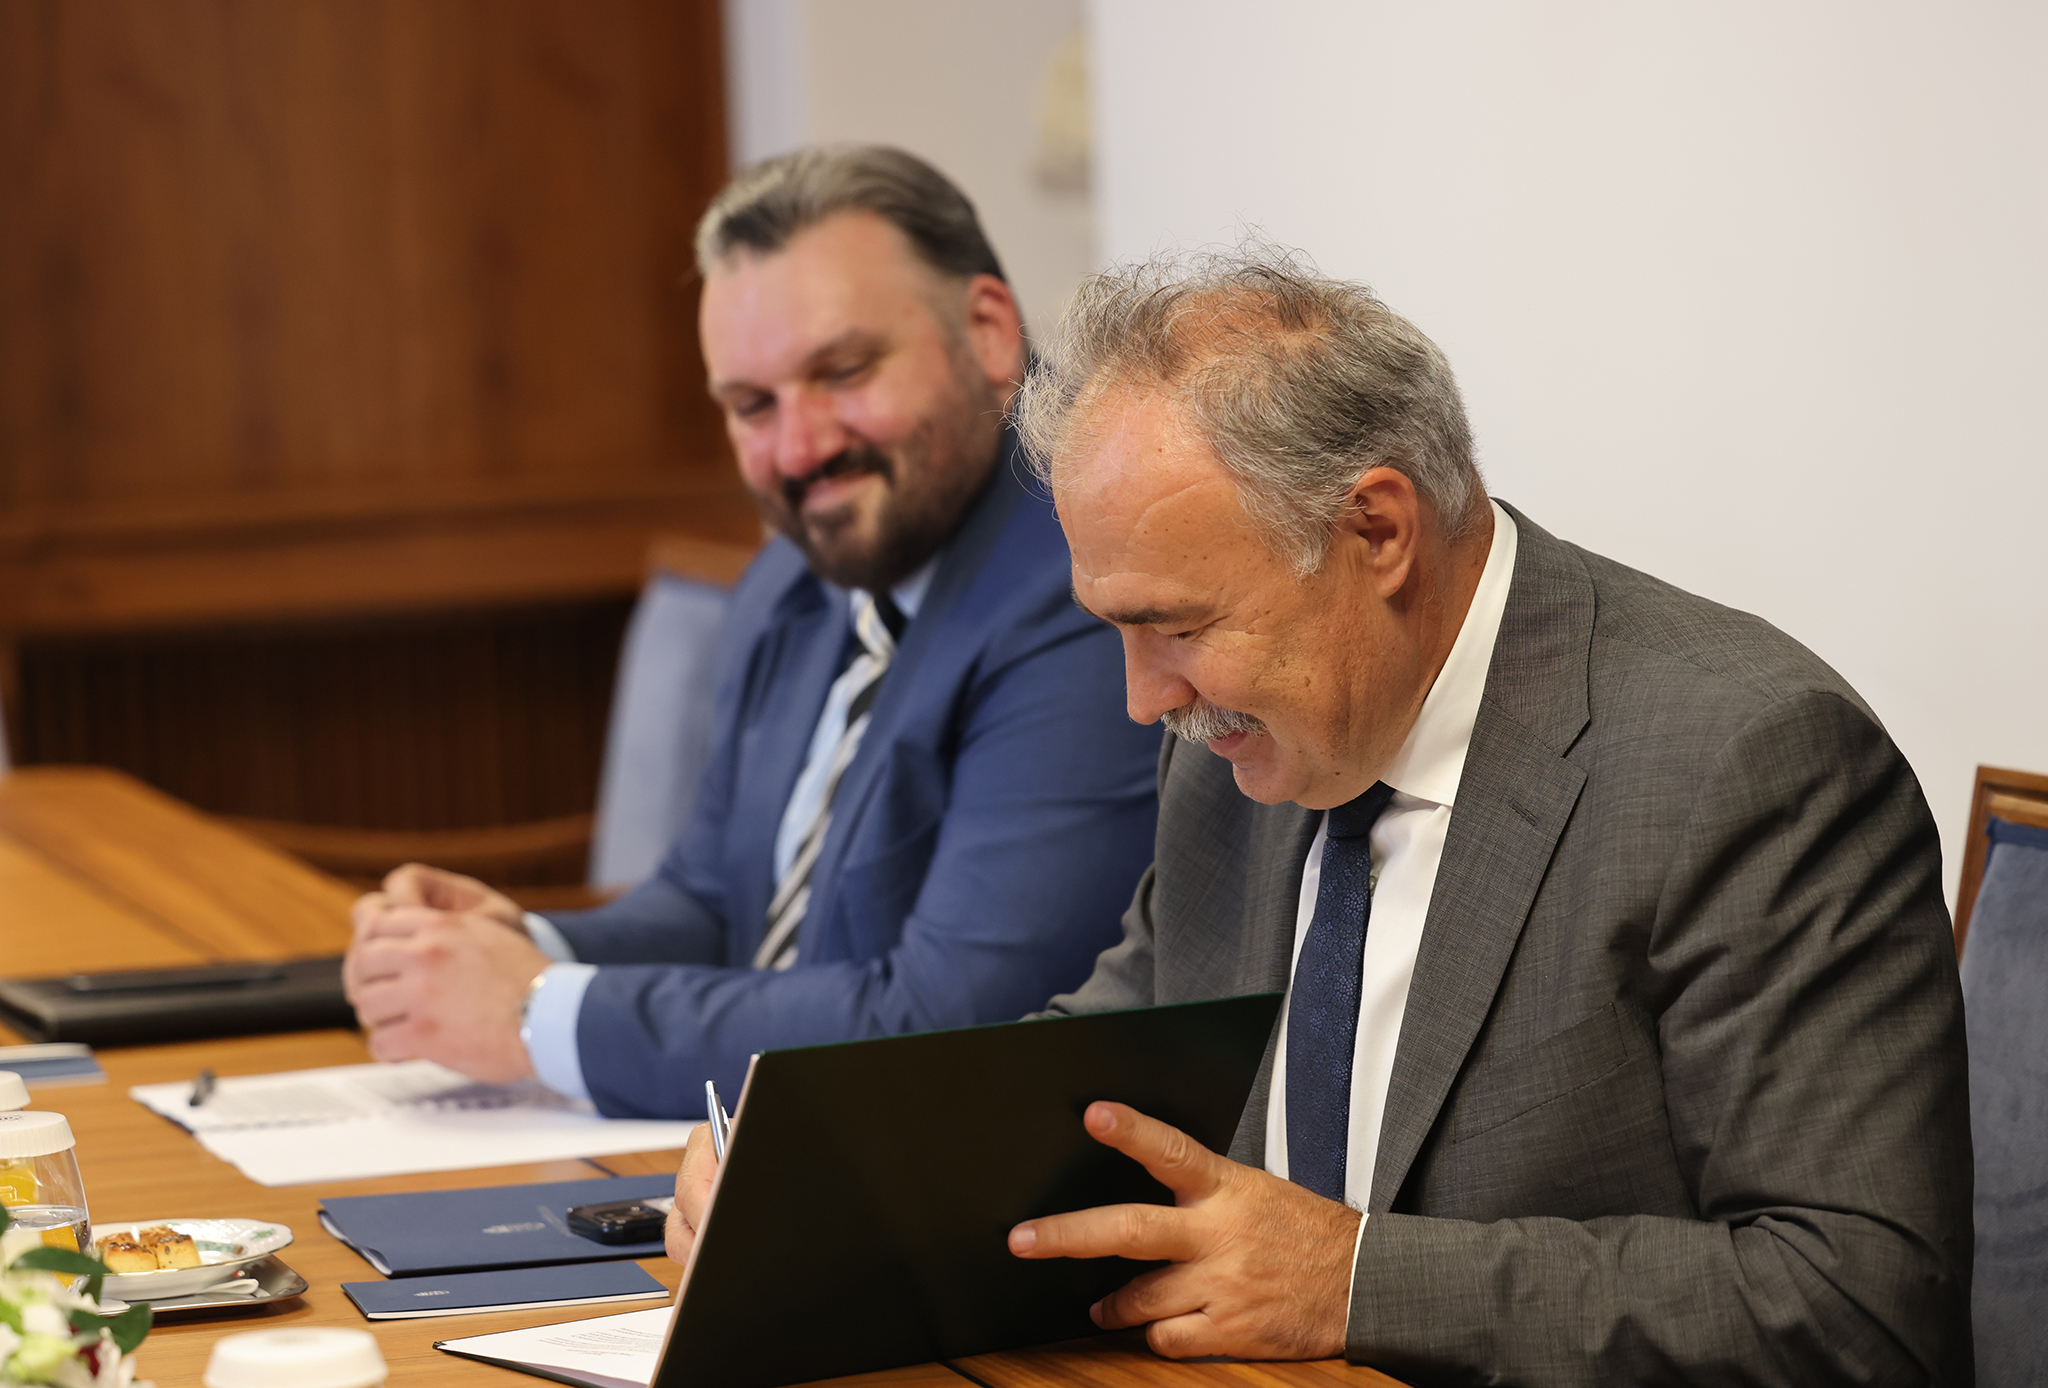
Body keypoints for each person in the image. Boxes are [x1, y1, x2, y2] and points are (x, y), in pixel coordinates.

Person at [661, 243, 1974, 1384]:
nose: (1143, 698)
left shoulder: (1742, 764)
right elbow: (1095, 1075)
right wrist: (815, 1191)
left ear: (1377, 531)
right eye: (1116, 627)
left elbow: (1858, 1301)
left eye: (1178, 627)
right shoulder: (1239, 748)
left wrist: (1354, 1280)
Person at [341, 147, 1163, 1119]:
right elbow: (712, 899)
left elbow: (951, 1023)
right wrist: (519, 946)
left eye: (843, 371)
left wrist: (534, 1012)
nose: (801, 448)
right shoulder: (796, 576)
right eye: (752, 406)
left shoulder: (1085, 585)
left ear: (987, 332)